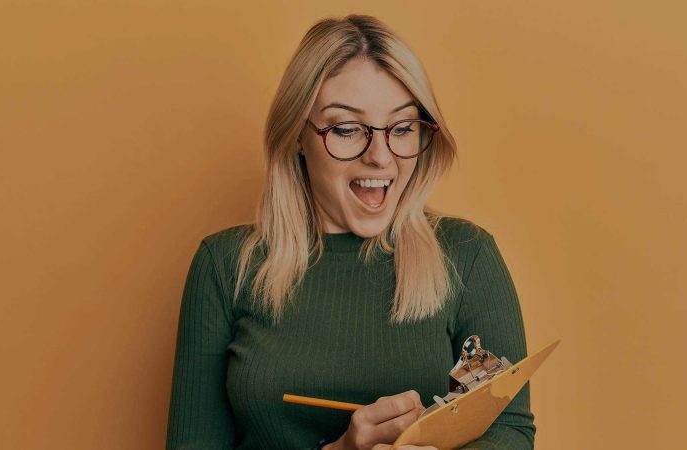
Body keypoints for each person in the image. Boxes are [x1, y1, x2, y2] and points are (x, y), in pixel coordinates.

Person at [165, 14, 535, 450]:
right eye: (345, 129)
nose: (380, 157)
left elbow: (509, 431)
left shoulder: (467, 256)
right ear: (297, 136)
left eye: (400, 128)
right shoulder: (226, 267)